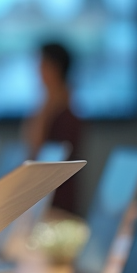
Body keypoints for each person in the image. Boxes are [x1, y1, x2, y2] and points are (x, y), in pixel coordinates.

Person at [22, 41, 82, 212]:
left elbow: (38, 154)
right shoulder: (47, 107)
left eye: (42, 65)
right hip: (44, 201)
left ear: (54, 68)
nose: (38, 71)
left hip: (55, 205)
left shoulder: (66, 115)